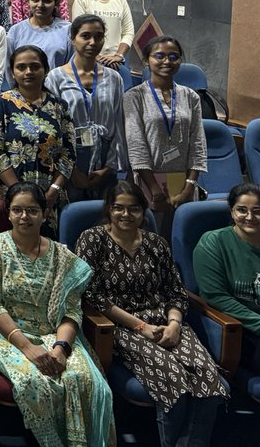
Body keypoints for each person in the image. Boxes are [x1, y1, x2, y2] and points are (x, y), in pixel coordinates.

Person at [78, 181, 226, 447]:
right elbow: (93, 296)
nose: (126, 215)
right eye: (118, 208)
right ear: (109, 210)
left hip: (166, 322)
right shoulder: (93, 239)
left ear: (143, 211)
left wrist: (174, 324)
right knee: (173, 377)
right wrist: (140, 326)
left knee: (208, 376)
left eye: (133, 208)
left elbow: (175, 291)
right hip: (121, 326)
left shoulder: (156, 243)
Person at [0, 182, 114, 446]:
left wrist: (61, 348)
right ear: (8, 213)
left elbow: (71, 310)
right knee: (34, 382)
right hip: (4, 334)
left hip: (54, 334)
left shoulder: (63, 256)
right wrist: (28, 348)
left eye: (32, 210)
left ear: (45, 213)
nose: (24, 217)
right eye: (17, 210)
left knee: (86, 382)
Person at [0, 45, 78, 234]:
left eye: (35, 66)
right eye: (21, 67)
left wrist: (53, 190)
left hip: (48, 199)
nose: (28, 72)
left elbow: (69, 153)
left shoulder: (59, 106)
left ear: (46, 70)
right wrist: (19, 194)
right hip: (7, 196)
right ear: (12, 72)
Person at [124, 36, 206, 236]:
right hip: (147, 184)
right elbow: (136, 145)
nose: (167, 61)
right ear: (146, 60)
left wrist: (189, 187)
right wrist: (154, 189)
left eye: (173, 57)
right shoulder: (134, 97)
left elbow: (197, 142)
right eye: (159, 56)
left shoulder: (190, 96)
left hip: (184, 185)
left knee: (181, 239)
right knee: (150, 239)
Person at [45, 15, 125, 197]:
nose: (93, 42)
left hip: (105, 160)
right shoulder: (55, 78)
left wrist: (109, 167)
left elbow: (119, 125)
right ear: (73, 39)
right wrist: (70, 170)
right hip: (70, 160)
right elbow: (53, 129)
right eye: (86, 36)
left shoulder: (114, 78)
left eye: (99, 36)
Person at [193, 182, 260, 360]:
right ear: (232, 211)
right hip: (243, 331)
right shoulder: (213, 242)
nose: (250, 217)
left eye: (258, 211)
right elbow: (216, 297)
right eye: (242, 210)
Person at [70, 0, 134, 67]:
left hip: (116, 62)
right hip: (89, 60)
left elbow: (128, 32)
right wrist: (97, 57)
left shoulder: (121, 1)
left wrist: (118, 55)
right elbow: (78, 32)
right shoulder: (82, 0)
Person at [6, 0, 72, 80]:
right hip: (23, 90)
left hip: (58, 90)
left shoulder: (67, 30)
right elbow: (8, 67)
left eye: (47, 1)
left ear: (56, 3)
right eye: (35, 0)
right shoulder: (16, 31)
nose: (40, 5)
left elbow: (72, 64)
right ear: (28, 1)